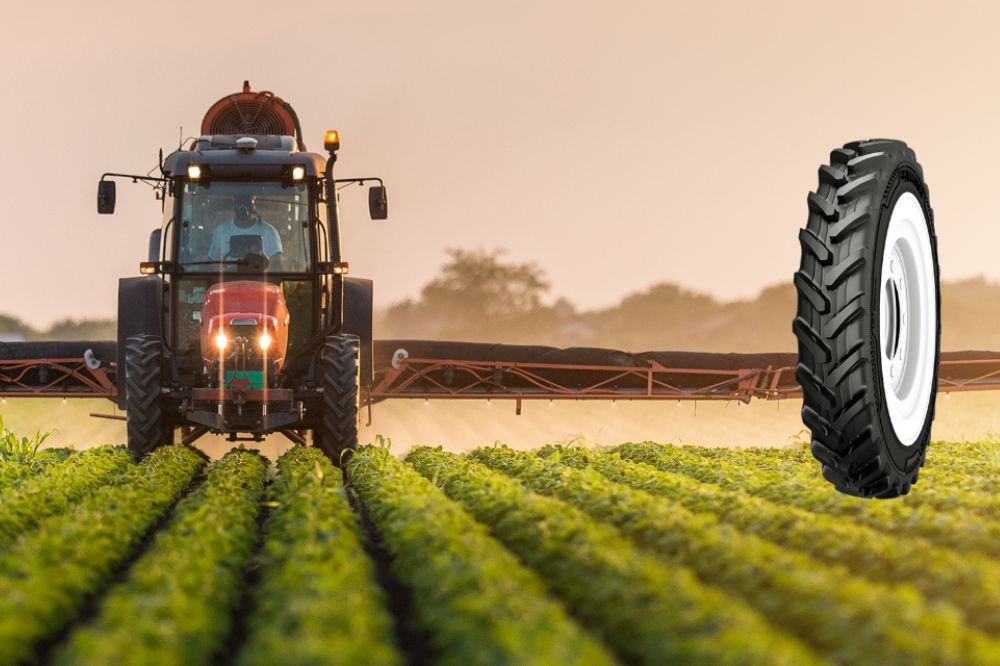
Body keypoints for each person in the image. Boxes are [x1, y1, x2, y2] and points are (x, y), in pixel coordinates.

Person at [208, 193, 283, 263]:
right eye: (239, 203)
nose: (242, 207)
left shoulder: (268, 231)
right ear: (234, 205)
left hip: (260, 277)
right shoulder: (221, 231)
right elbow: (213, 263)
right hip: (228, 276)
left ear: (253, 206)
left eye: (247, 204)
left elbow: (277, 264)